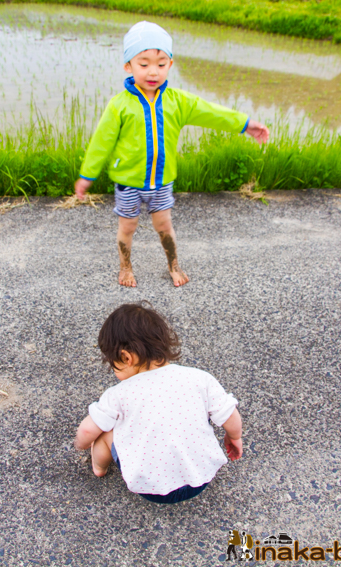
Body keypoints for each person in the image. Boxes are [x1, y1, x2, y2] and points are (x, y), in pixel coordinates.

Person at [74, 21, 269, 288]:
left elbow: (212, 112)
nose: (153, 71)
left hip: (162, 180)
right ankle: (125, 266)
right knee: (127, 228)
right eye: (143, 64)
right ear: (128, 66)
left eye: (161, 63)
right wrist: (87, 175)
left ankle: (174, 265)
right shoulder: (119, 105)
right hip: (128, 181)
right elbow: (101, 142)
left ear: (170, 64)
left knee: (164, 226)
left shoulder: (178, 101)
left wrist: (245, 124)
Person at [74, 302, 243, 504]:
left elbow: (86, 431)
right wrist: (235, 437)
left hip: (150, 490)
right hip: (200, 480)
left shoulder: (118, 394)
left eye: (113, 364)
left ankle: (99, 468)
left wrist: (81, 445)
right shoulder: (200, 378)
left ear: (126, 357)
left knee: (103, 433)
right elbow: (230, 415)